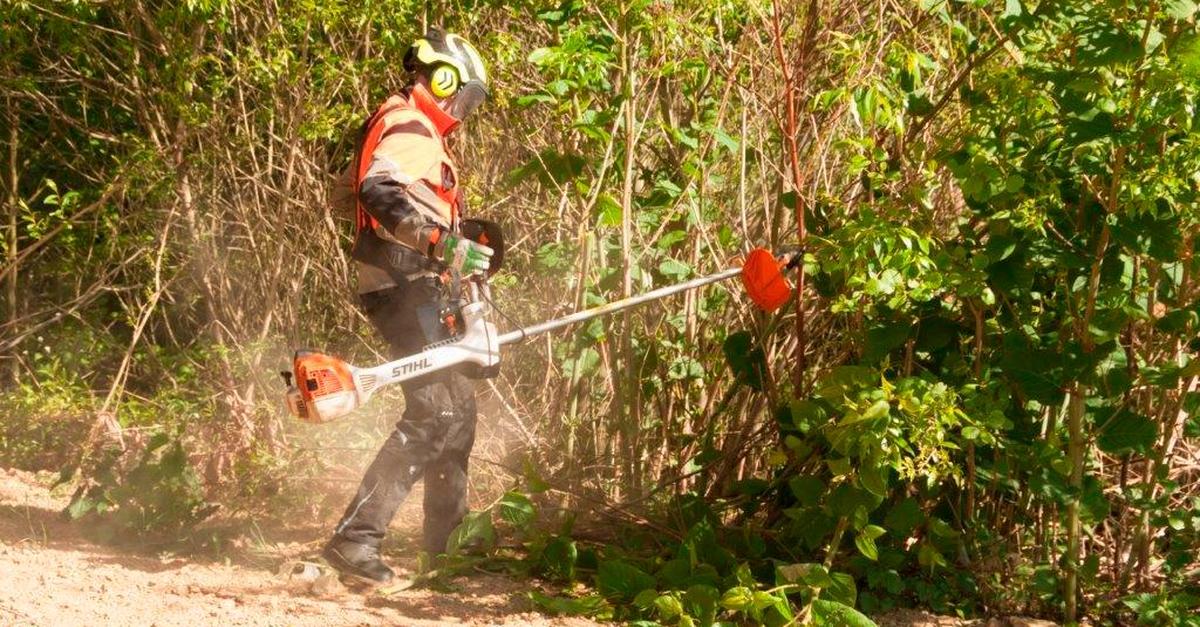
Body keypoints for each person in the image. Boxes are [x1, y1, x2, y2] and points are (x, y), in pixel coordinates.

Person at [322, 27, 494, 585]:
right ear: (444, 79)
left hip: (415, 284)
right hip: (404, 286)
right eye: (464, 95)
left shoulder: (403, 125)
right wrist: (438, 244)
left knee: (456, 413)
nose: (463, 109)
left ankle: (447, 553)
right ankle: (355, 540)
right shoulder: (411, 126)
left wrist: (460, 242)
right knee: (435, 414)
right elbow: (380, 192)